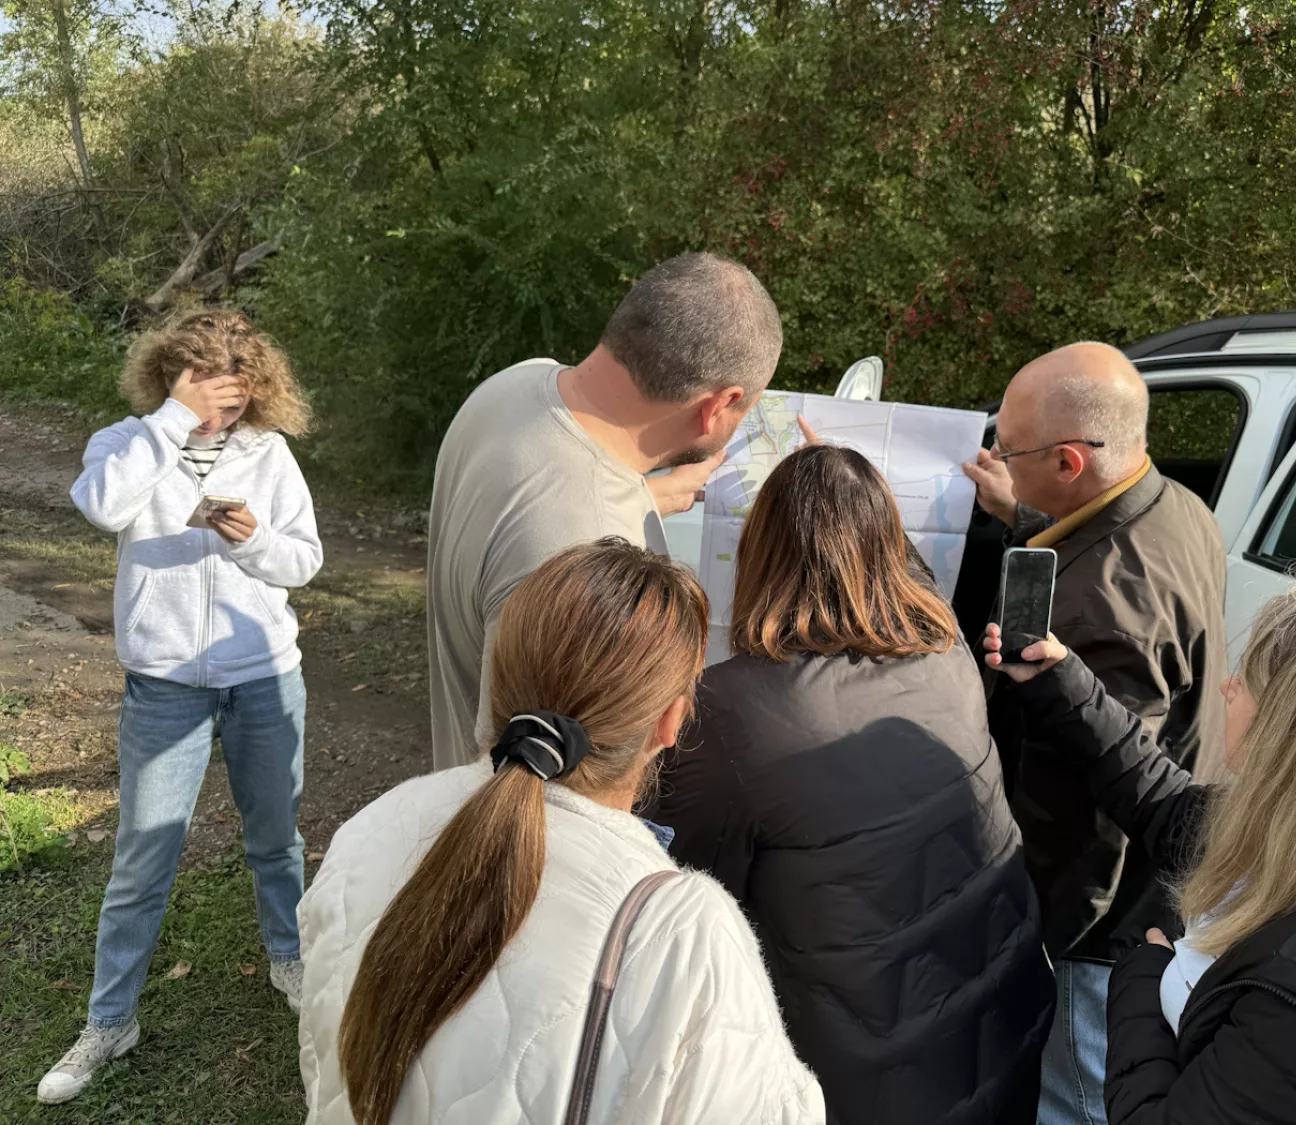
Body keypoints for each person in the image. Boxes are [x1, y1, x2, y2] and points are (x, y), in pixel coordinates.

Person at [299, 539, 824, 1125]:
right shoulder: (684, 936)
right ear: (671, 721)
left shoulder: (369, 831)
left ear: (499, 679)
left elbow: (326, 1061)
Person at [983, 584, 1296, 1123]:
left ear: (1293, 738)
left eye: (1247, 679)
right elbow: (1168, 806)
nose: (1227, 687)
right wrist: (1062, 681)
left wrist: (1139, 978)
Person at [655, 445, 1053, 1125]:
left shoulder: (728, 709)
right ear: (889, 545)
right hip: (999, 1041)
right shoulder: (946, 648)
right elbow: (900, 570)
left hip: (863, 1084)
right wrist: (843, 487)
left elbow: (674, 893)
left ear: (760, 551)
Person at [40, 309, 321, 1104]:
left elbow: (303, 559)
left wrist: (252, 540)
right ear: (168, 375)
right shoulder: (125, 443)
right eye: (205, 391)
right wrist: (175, 417)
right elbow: (101, 506)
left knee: (277, 839)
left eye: (234, 399)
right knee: (143, 857)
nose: (219, 414)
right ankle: (110, 1019)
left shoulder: (269, 455)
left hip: (264, 675)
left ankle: (289, 958)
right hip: (164, 687)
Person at [962, 342, 1227, 1124]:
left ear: (1070, 460)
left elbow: (1092, 820)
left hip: (1098, 935)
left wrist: (1045, 940)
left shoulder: (1097, 611)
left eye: (1008, 450)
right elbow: (1101, 537)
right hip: (1163, 894)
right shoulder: (1175, 505)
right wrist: (1022, 515)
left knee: (1078, 1101)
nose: (999, 459)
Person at [426, 251, 783, 770]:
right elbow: (525, 783)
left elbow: (533, 503)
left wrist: (648, 496)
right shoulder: (586, 571)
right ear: (718, 405)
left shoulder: (517, 384)